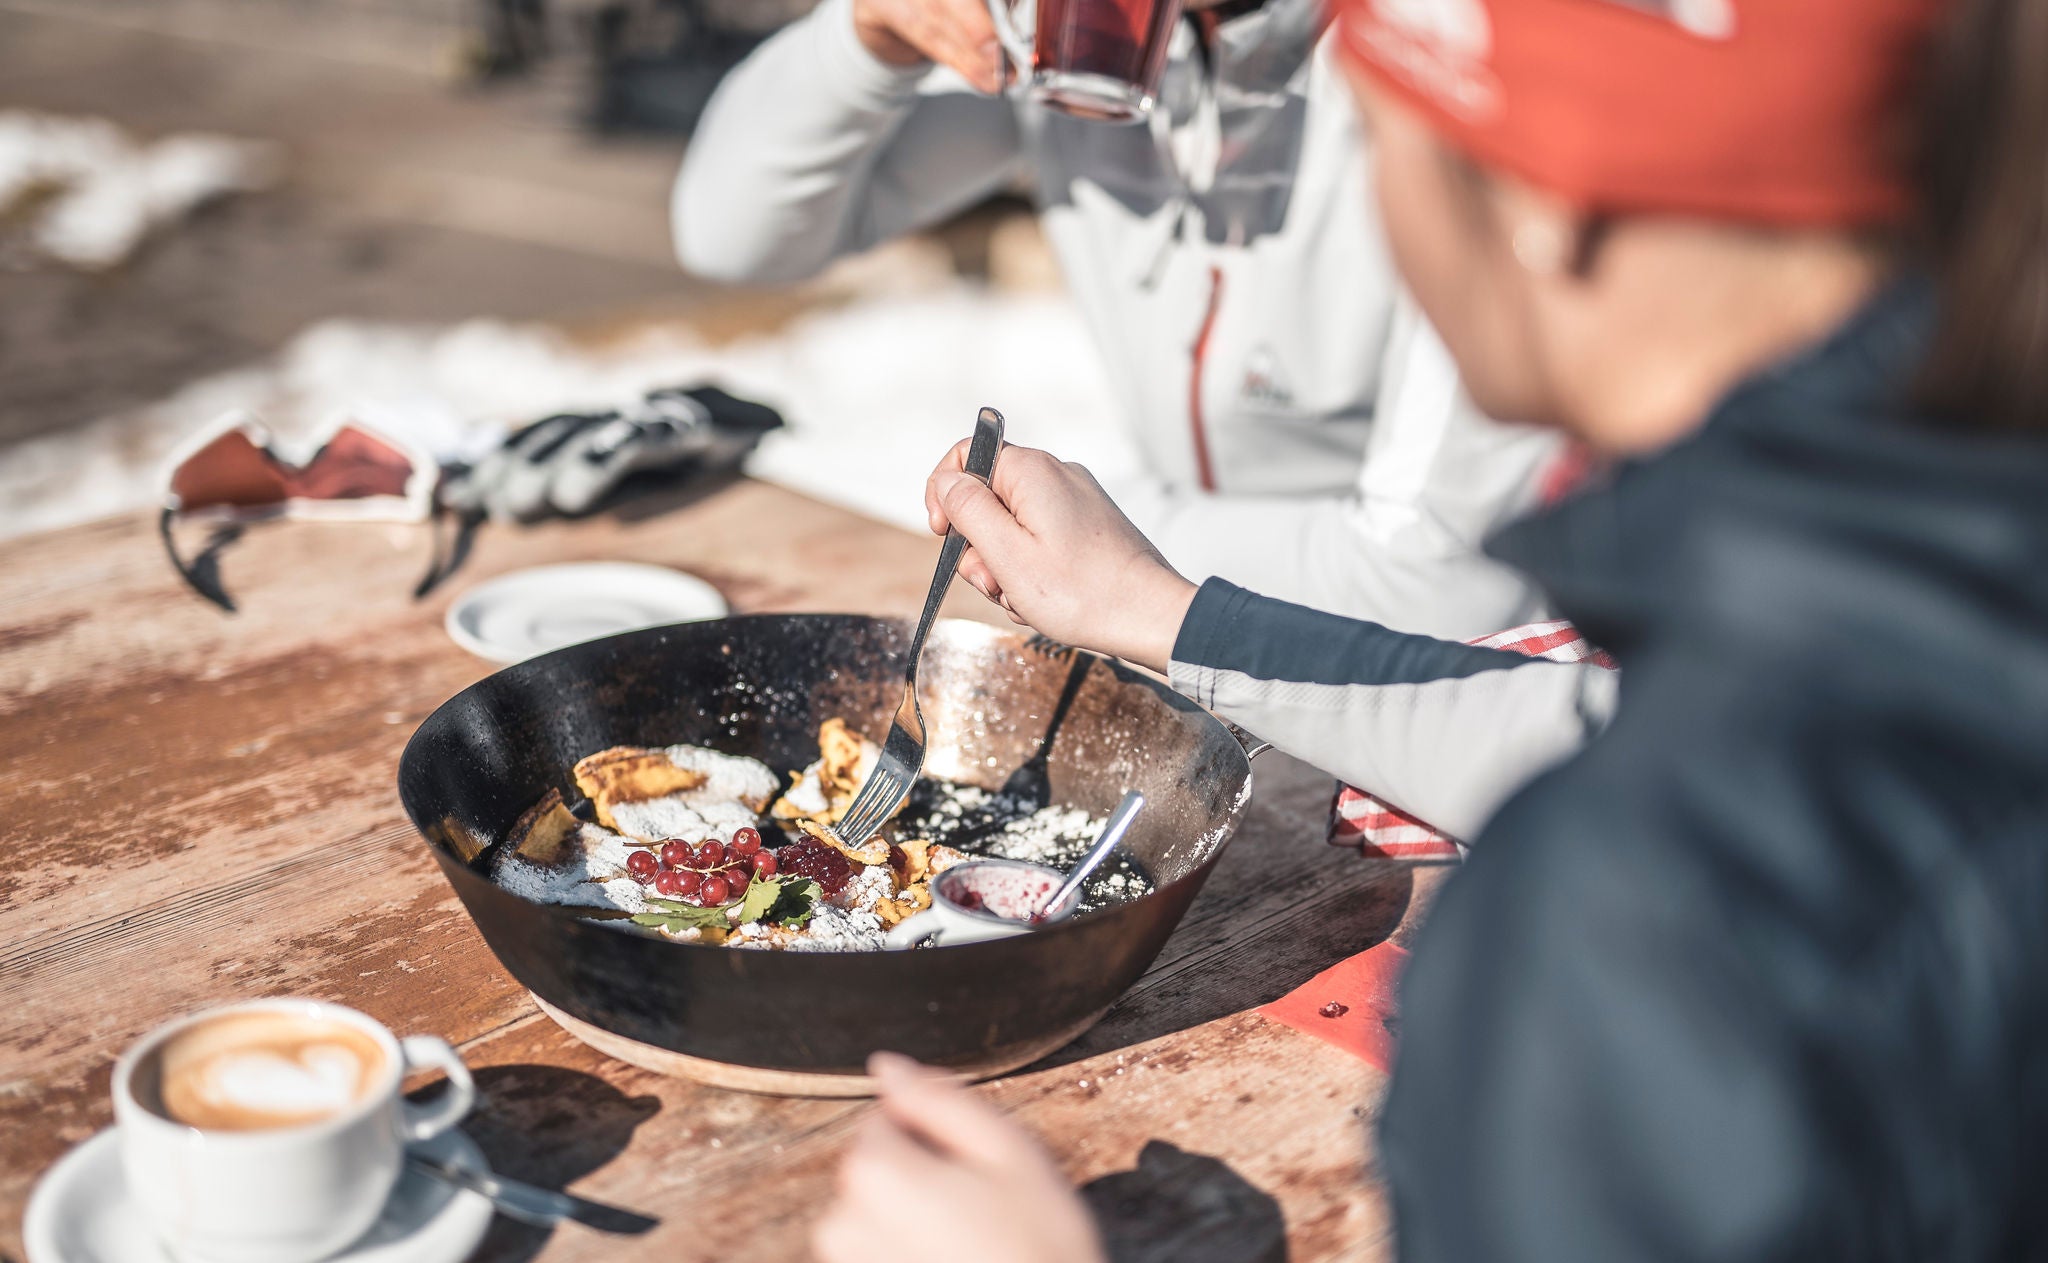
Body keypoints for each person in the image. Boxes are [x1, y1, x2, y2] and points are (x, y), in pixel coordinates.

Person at [810, 0, 2048, 1259]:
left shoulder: (1633, 916)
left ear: (1545, 207)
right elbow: (1591, 732)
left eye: (1379, 138)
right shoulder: (1921, 598)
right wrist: (1150, 609)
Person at [673, 0, 1569, 642]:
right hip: (1170, 628)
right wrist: (863, 39)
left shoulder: (1452, 56)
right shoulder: (1092, 32)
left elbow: (1448, 580)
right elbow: (731, 234)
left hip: (1454, 685)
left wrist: (1104, 546)